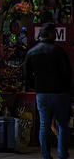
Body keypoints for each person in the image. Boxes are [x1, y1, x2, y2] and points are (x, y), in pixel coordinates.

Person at [24, 23, 72, 159]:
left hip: (42, 94)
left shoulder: (32, 52)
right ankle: (62, 153)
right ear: (51, 34)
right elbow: (67, 73)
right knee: (63, 125)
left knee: (44, 125)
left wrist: (36, 86)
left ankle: (45, 154)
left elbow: (27, 75)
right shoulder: (59, 51)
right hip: (60, 94)